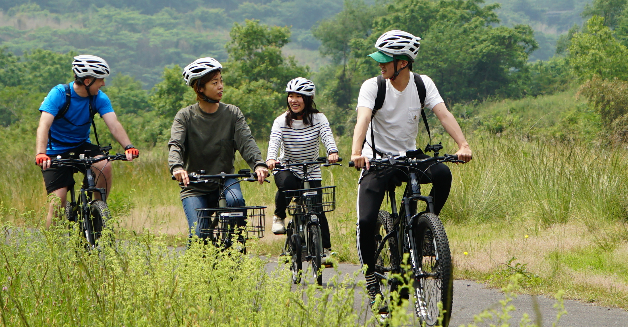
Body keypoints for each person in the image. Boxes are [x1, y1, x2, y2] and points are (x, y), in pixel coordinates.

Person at [349, 29, 473, 311]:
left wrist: (463, 144)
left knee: (442, 174)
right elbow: (363, 119)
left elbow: (443, 114)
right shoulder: (373, 86)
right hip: (377, 160)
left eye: (385, 59)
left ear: (402, 62)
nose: (379, 64)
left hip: (409, 157)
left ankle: (422, 232)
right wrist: (357, 153)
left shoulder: (422, 84)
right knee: (366, 222)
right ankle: (372, 281)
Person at [168, 56, 270, 243]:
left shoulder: (232, 113)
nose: (221, 86)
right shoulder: (185, 116)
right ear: (200, 88)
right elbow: (176, 144)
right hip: (195, 185)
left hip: (225, 180)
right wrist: (177, 167)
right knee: (199, 234)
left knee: (236, 202)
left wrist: (258, 164)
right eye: (214, 83)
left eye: (221, 81)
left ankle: (236, 245)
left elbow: (246, 142)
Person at [35, 53, 139, 226]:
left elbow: (114, 125)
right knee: (57, 203)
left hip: (81, 145)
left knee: (104, 165)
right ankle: (52, 242)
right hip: (55, 151)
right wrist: (41, 153)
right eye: (100, 80)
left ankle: (97, 212)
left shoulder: (99, 98)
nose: (103, 83)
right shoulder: (59, 94)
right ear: (88, 81)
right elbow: (43, 126)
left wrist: (128, 146)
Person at [266, 77, 340, 259]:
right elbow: (274, 141)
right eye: (291, 96)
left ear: (308, 99)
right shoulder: (281, 121)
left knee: (317, 209)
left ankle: (325, 250)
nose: (294, 100)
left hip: (311, 169)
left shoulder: (318, 118)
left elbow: (327, 135)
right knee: (288, 186)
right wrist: (271, 159)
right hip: (287, 167)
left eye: (298, 96)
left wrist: (332, 151)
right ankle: (279, 216)